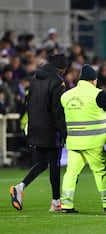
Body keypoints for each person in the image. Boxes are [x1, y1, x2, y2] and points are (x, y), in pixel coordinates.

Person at [60, 64, 106, 213]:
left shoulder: (66, 96)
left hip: (74, 142)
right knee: (100, 172)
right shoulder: (97, 94)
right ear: (93, 80)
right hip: (93, 142)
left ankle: (66, 204)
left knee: (71, 173)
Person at [10, 54, 68, 211]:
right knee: (54, 164)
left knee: (43, 162)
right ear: (62, 69)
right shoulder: (58, 82)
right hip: (51, 128)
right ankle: (56, 202)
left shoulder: (35, 79)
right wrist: (65, 133)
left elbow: (28, 102)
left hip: (35, 126)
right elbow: (58, 112)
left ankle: (20, 187)